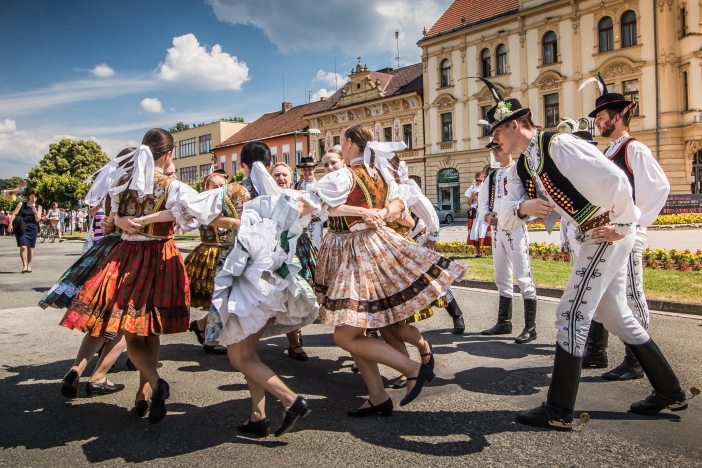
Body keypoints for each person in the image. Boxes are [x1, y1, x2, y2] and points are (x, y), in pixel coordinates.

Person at [487, 90, 690, 429]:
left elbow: (615, 180)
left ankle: (559, 409)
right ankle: (670, 391)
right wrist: (526, 209)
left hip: (603, 234)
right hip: (592, 234)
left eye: (496, 131)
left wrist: (624, 224)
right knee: (615, 314)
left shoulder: (558, 145)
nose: (494, 140)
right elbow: (518, 210)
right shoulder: (531, 158)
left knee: (571, 313)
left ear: (512, 125)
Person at [313, 124, 467, 416]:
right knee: (357, 329)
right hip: (367, 250)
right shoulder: (380, 174)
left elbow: (318, 205)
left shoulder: (343, 176)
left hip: (354, 254)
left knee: (345, 335)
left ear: (346, 143)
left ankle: (412, 369)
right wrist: (380, 212)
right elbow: (400, 201)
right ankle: (377, 395)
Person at [175, 141, 319, 437]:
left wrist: (234, 222)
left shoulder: (232, 191)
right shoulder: (284, 194)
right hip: (276, 281)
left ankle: (291, 400)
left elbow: (189, 211)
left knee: (239, 356)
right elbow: (311, 212)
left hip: (243, 281)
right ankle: (258, 416)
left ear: (240, 166)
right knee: (250, 353)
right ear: (269, 164)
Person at [60, 131, 197, 424]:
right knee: (152, 329)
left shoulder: (121, 184)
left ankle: (153, 385)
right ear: (169, 154)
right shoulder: (172, 185)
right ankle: (144, 393)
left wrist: (123, 220)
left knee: (131, 330)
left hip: (128, 259)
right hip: (162, 258)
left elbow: (108, 222)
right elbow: (187, 215)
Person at [580, 83, 671, 382]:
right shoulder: (610, 152)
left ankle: (635, 362)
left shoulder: (634, 149)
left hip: (628, 236)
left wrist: (627, 227)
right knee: (608, 295)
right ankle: (599, 352)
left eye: (601, 116)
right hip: (612, 235)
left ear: (617, 117)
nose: (597, 123)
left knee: (632, 295)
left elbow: (658, 189)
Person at [478, 140, 538, 343]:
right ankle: (504, 321)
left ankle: (530, 327)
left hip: (515, 229)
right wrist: (487, 216)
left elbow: (530, 198)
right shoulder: (492, 176)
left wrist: (520, 215)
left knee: (523, 276)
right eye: (492, 149)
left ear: (509, 148)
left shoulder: (519, 170)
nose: (494, 152)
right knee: (501, 275)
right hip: (497, 231)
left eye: (498, 148)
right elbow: (483, 203)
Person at [184, 170, 233, 355]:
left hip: (228, 253)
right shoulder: (201, 204)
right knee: (219, 298)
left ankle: (202, 326)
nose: (219, 190)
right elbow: (185, 221)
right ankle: (212, 339)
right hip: (208, 253)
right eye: (215, 186)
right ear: (206, 189)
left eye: (222, 186)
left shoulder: (228, 204)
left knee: (225, 298)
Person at [271, 161, 312, 361]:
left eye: (285, 175)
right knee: (288, 294)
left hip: (302, 245)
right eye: (276, 175)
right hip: (280, 246)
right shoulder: (268, 198)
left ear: (292, 177)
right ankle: (294, 342)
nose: (281, 178)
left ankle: (297, 334)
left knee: (304, 292)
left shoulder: (300, 196)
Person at [294, 155, 323, 247]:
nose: (307, 172)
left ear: (314, 169)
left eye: (309, 169)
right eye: (305, 169)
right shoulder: (296, 186)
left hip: (316, 222)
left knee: (316, 247)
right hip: (301, 223)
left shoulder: (319, 185)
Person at [11, 190, 42, 272]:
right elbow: (14, 214)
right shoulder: (22, 204)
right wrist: (10, 224)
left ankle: (29, 265)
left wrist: (35, 213)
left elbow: (38, 219)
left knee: (30, 248)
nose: (33, 199)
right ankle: (24, 265)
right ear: (29, 196)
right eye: (32, 197)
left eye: (35, 197)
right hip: (21, 227)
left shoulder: (38, 207)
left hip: (32, 228)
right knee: (23, 246)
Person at [465, 173, 487, 256]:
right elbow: (468, 203)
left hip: (484, 211)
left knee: (486, 231)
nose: (478, 182)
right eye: (477, 180)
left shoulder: (485, 188)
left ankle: (490, 251)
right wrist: (472, 196)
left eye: (480, 180)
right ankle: (478, 252)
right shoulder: (472, 188)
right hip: (475, 213)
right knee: (475, 232)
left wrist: (479, 195)